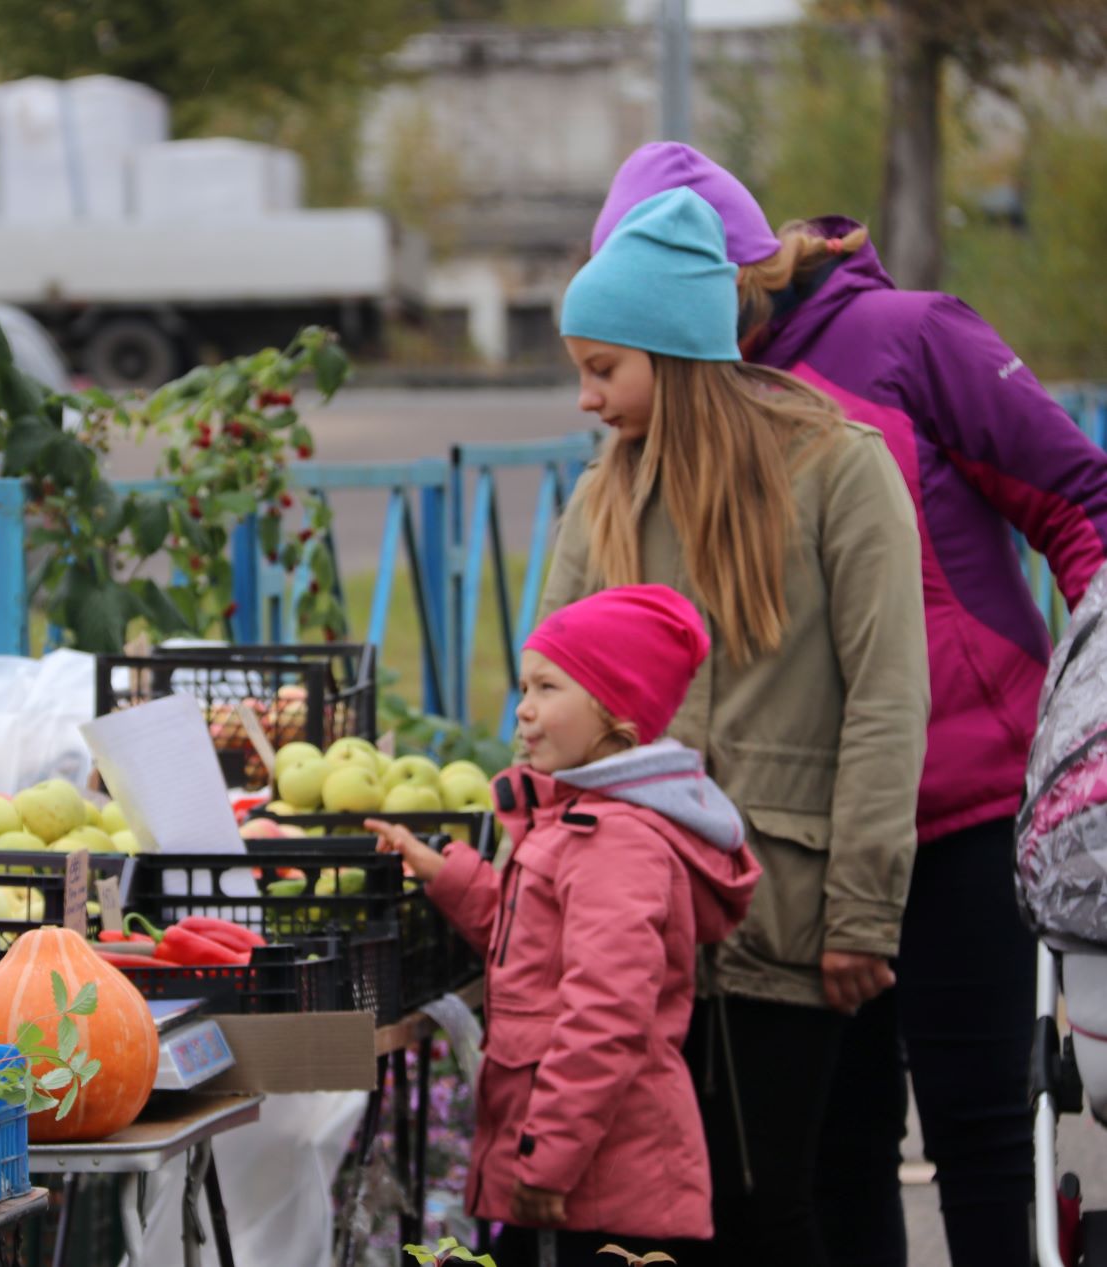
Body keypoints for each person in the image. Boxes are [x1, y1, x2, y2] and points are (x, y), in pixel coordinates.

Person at [593, 142, 1107, 1267]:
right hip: (802, 841)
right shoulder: (672, 416)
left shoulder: (911, 341)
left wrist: (1090, 712)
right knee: (838, 1146)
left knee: (979, 1131)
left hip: (964, 805)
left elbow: (1080, 501)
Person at [540, 186, 932, 1267]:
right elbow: (544, 694)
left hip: (783, 919)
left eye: (601, 368)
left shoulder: (841, 469)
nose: (584, 399)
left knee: (766, 1204)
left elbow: (888, 699)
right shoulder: (606, 493)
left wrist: (862, 909)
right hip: (624, 924)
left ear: (670, 353)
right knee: (637, 1216)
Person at [370, 584, 760, 1266]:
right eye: (524, 685)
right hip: (571, 1173)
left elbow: (605, 1013)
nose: (523, 707)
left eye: (548, 686)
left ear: (618, 714)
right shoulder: (574, 823)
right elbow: (534, 944)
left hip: (591, 1184)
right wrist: (444, 872)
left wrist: (546, 1160)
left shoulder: (617, 843)